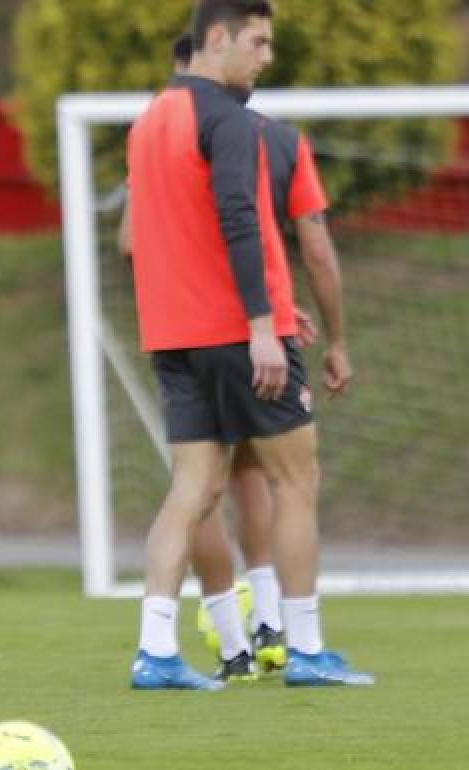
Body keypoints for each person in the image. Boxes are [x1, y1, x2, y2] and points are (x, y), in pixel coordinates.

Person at [124, 0, 372, 690]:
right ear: (220, 38)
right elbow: (238, 218)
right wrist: (266, 326)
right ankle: (307, 648)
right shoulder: (228, 119)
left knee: (193, 488)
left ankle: (156, 652)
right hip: (237, 332)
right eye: (258, 43)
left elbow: (148, 238)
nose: (266, 57)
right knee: (297, 479)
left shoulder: (148, 124)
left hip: (172, 337)